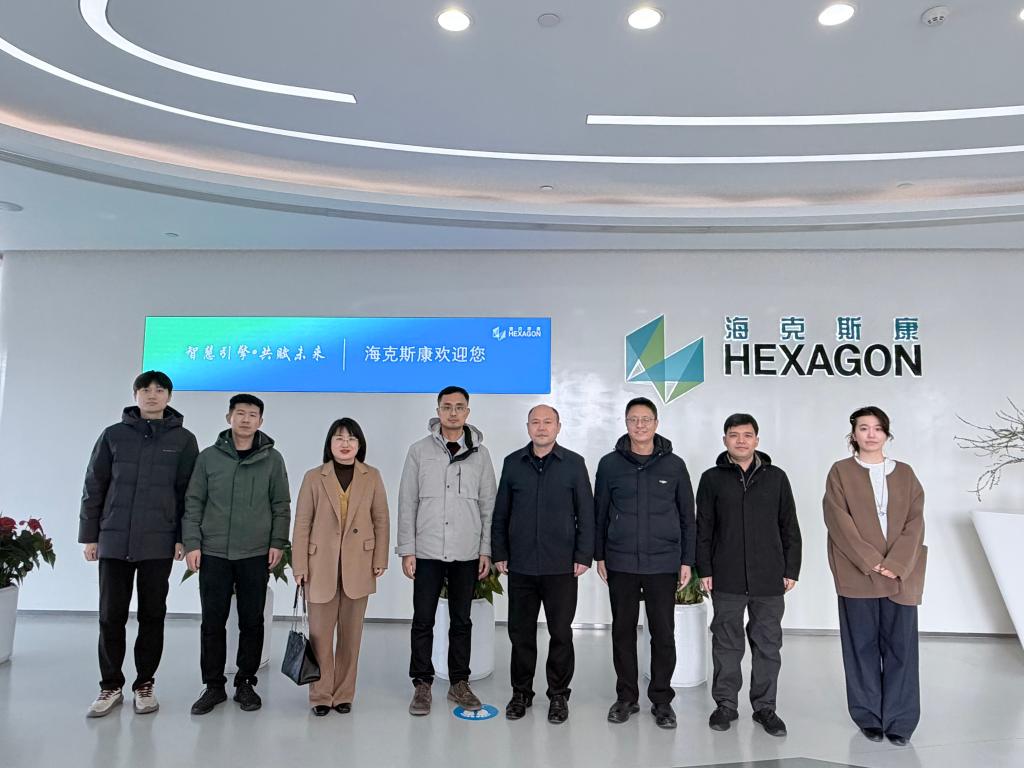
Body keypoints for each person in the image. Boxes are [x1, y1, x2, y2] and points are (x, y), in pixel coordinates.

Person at [79, 371, 199, 717]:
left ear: (169, 397)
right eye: (145, 389)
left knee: (152, 615)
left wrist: (182, 537)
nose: (152, 395)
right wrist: (90, 536)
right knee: (110, 616)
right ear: (135, 395)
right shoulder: (113, 435)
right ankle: (110, 686)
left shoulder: (184, 440)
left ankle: (145, 684)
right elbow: (94, 485)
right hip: (114, 539)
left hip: (158, 542)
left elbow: (188, 494)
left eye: (159, 390)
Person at [823, 406, 927, 747]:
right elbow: (838, 521)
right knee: (861, 647)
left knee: (901, 649)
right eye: (864, 428)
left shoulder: (906, 474)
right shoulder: (840, 472)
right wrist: (871, 561)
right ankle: (868, 716)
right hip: (857, 573)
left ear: (887, 434)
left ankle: (900, 720)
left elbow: (915, 522)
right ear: (853, 434)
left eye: (878, 428)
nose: (871, 434)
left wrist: (895, 563)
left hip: (901, 575)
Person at [182, 394, 291, 715]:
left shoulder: (273, 460)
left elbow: (281, 504)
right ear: (229, 417)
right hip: (213, 551)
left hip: (255, 552)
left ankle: (245, 682)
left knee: (252, 620)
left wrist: (277, 542)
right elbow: (193, 502)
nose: (245, 419)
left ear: (260, 421)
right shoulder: (208, 458)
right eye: (240, 413)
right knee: (212, 621)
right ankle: (213, 686)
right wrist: (192, 543)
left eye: (252, 414)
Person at [696, 413, 802, 737]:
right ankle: (726, 704)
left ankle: (765, 708)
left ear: (757, 440)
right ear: (724, 440)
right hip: (726, 576)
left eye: (747, 435)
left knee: (768, 645)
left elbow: (789, 526)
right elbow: (703, 529)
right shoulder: (712, 479)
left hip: (769, 577)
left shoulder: (777, 478)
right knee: (726, 644)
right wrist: (705, 570)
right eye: (734, 435)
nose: (740, 441)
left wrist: (791, 569)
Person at [594, 396, 695, 730]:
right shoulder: (609, 464)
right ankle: (626, 697)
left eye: (646, 419)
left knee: (663, 633)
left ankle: (662, 700)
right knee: (622, 631)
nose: (640, 425)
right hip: (621, 560)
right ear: (626, 423)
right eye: (633, 419)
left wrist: (687, 560)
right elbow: (599, 513)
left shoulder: (674, 465)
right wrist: (600, 555)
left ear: (656, 423)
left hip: (663, 562)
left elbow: (687, 516)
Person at [397, 385, 497, 716]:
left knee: (462, 620)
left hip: (466, 551)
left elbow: (489, 506)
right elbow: (407, 501)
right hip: (426, 550)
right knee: (423, 619)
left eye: (459, 407)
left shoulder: (481, 455)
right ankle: (422, 684)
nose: (453, 412)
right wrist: (407, 549)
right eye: (447, 406)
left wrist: (486, 550)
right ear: (437, 410)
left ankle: (459, 682)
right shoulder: (418, 451)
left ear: (467, 412)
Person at [491, 404, 595, 724]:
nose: (541, 427)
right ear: (527, 427)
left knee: (560, 633)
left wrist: (583, 556)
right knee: (520, 634)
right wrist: (499, 552)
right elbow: (501, 513)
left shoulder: (574, 464)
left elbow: (586, 514)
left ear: (558, 427)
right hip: (521, 565)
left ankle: (558, 695)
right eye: (535, 422)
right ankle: (521, 692)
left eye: (547, 422)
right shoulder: (513, 463)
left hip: (561, 566)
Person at [291, 418, 390, 716]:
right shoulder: (314, 477)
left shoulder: (372, 476)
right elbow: (302, 523)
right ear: (330, 444)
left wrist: (380, 559)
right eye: (339, 438)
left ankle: (344, 694)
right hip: (319, 565)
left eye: (351, 438)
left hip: (359, 565)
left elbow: (381, 520)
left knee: (351, 636)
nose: (345, 444)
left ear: (360, 444)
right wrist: (299, 564)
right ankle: (320, 695)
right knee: (320, 636)